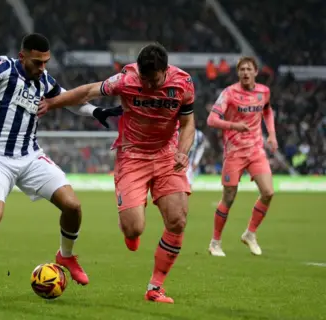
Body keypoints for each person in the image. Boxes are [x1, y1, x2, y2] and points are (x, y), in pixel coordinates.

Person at [0, 33, 122, 301]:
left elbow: (68, 100)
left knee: (73, 206)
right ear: (23, 57)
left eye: (46, 62)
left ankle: (65, 256)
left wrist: (96, 112)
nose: (42, 68)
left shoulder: (43, 80)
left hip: (30, 156)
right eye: (37, 62)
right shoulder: (5, 67)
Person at [38, 43, 196, 304]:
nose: (146, 84)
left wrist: (183, 151)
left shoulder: (184, 83)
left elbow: (188, 122)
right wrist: (52, 103)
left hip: (167, 155)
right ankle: (131, 229)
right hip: (132, 156)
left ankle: (155, 287)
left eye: (153, 79)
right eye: (143, 79)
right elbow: (88, 91)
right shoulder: (126, 79)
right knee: (134, 229)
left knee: (178, 220)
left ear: (165, 71)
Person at [206, 56, 277, 257]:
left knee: (268, 192)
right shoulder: (229, 93)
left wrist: (271, 134)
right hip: (234, 152)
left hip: (256, 150)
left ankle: (250, 234)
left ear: (255, 72)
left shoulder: (264, 92)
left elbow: (268, 110)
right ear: (238, 73)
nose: (245, 72)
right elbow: (212, 119)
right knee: (229, 197)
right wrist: (234, 126)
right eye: (242, 69)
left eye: (249, 69)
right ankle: (215, 242)